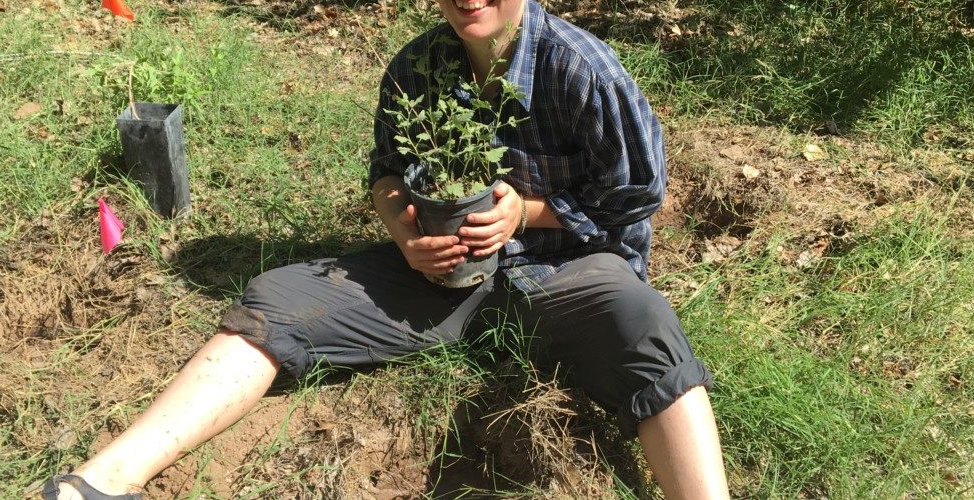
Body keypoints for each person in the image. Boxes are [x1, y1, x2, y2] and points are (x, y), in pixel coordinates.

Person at [42, 1, 730, 498]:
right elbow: (386, 175)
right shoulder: (418, 65)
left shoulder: (581, 67)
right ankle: (101, 481)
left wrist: (524, 212)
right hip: (442, 277)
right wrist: (406, 237)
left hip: (565, 271)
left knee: (644, 322)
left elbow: (638, 192)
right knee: (275, 302)